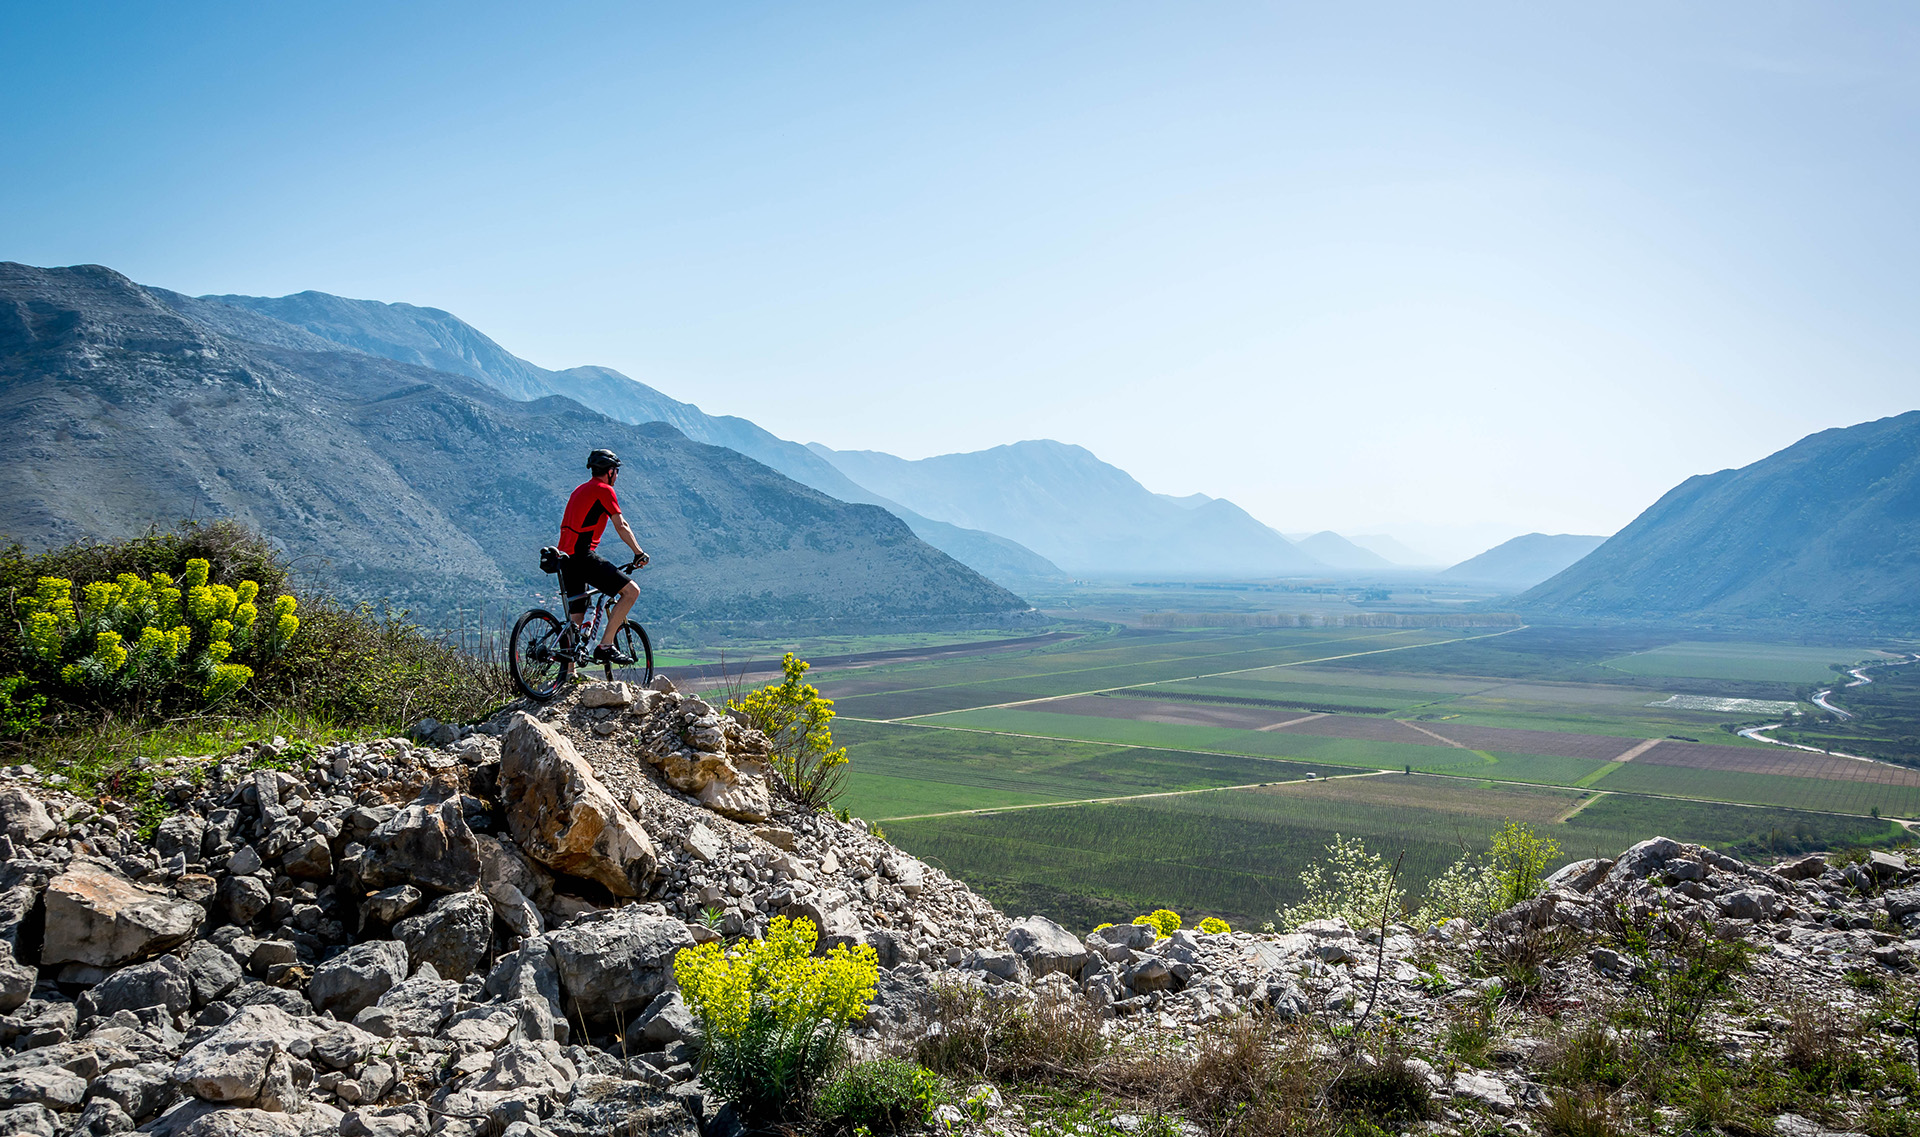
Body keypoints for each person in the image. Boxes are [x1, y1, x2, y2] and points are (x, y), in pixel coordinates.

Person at [557, 448, 648, 664]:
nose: (616, 476)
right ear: (610, 472)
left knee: (576, 616)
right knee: (631, 592)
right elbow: (621, 525)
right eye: (616, 471)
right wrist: (638, 553)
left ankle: (568, 674)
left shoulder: (580, 489)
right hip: (582, 555)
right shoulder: (603, 490)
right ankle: (606, 645)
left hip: (565, 558)